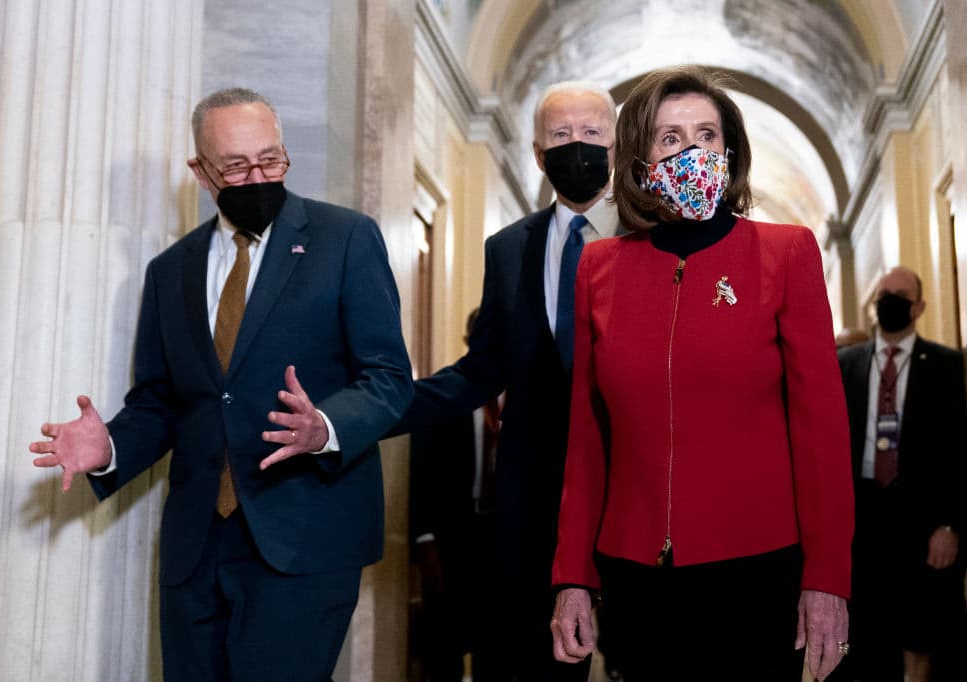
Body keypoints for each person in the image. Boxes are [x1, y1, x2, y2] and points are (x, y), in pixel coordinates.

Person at [29, 87, 413, 681]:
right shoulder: (169, 272)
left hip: (304, 540)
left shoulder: (346, 239)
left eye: (271, 159)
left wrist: (329, 427)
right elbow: (159, 402)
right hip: (196, 549)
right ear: (201, 172)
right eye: (236, 166)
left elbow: (389, 378)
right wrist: (112, 447)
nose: (258, 176)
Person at [549, 66, 855, 681]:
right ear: (639, 164)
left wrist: (828, 581)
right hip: (635, 576)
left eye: (706, 134)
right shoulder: (598, 269)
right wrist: (572, 577)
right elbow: (586, 440)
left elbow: (821, 434)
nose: (691, 150)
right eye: (670, 138)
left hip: (758, 572)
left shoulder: (786, 254)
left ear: (729, 150)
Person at [394, 80, 622, 682]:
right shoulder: (506, 249)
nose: (578, 147)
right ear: (537, 152)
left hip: (632, 493)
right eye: (561, 135)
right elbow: (482, 370)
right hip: (532, 510)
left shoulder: (653, 236)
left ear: (617, 143)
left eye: (593, 133)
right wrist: (378, 405)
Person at [835, 266, 967, 682]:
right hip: (863, 522)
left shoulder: (948, 367)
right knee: (867, 646)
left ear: (920, 306)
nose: (889, 301)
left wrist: (949, 523)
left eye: (901, 295)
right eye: (884, 295)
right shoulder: (845, 365)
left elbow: (960, 451)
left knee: (923, 643)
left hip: (924, 525)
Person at [408, 308, 501, 682]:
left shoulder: (531, 396)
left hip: (503, 544)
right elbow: (421, 473)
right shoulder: (448, 395)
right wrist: (425, 542)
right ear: (469, 344)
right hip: (452, 542)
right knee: (443, 650)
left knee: (495, 651)